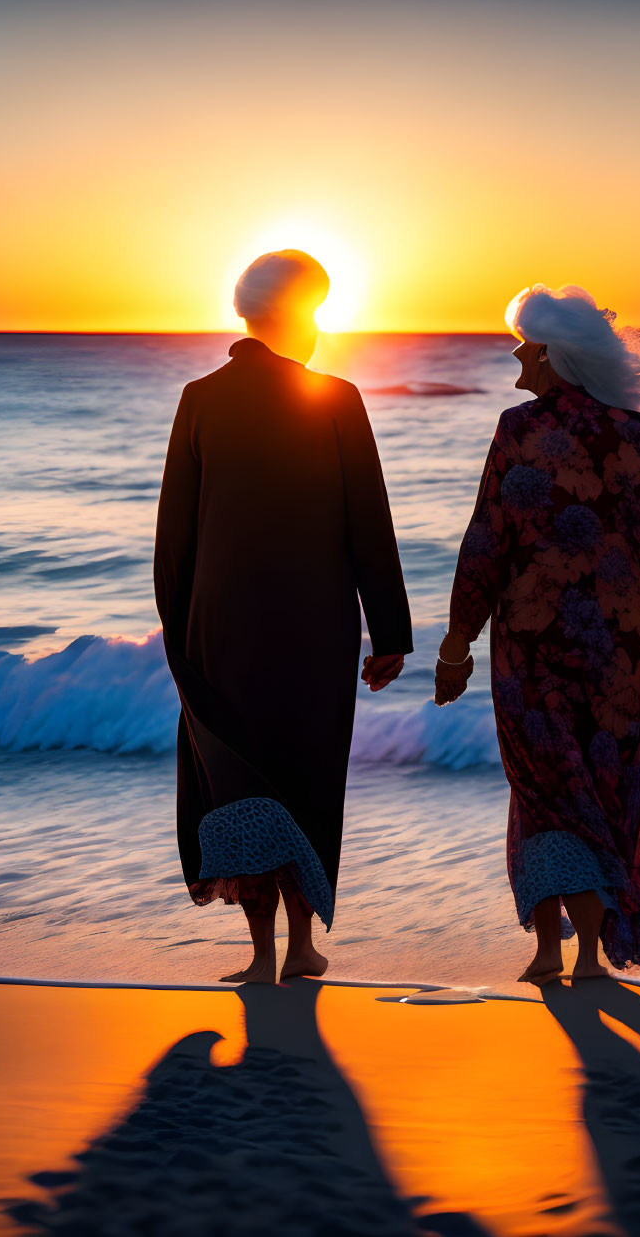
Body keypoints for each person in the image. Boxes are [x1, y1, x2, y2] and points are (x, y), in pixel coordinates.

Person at [154, 250, 411, 984]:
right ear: (299, 320)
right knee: (307, 777)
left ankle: (262, 952)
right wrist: (389, 633)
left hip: (219, 630)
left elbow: (174, 538)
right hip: (314, 630)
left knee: (238, 778)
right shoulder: (336, 398)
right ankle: (300, 946)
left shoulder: (199, 398)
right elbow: (370, 525)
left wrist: (179, 634)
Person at [435, 284, 640, 983]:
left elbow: (486, 541)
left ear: (551, 357)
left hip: (532, 644)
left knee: (543, 790)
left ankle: (549, 951)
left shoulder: (518, 431)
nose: (516, 355)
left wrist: (456, 640)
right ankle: (587, 957)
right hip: (627, 649)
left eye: (525, 344)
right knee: (609, 790)